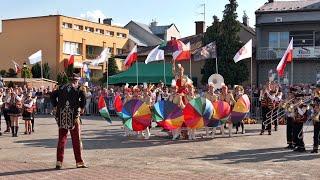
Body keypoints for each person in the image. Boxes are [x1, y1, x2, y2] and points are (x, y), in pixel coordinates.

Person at [50, 73, 87, 169]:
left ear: (70, 79)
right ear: (77, 80)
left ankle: (59, 162)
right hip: (73, 116)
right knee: (76, 140)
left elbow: (52, 96)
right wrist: (82, 107)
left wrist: (56, 106)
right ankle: (79, 161)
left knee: (62, 139)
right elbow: (83, 98)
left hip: (62, 115)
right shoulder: (79, 88)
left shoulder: (61, 87)